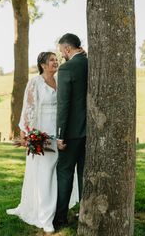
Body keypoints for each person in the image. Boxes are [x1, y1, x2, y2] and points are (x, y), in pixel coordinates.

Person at [6, 52, 79, 234]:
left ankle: (58, 209)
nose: (56, 62)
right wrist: (29, 135)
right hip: (42, 133)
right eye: (52, 60)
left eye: (57, 59)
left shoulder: (60, 81)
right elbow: (28, 108)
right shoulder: (35, 83)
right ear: (43, 65)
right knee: (45, 173)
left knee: (60, 172)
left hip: (60, 131)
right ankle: (45, 217)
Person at [54, 33, 88, 228]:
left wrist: (60, 134)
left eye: (61, 51)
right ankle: (85, 215)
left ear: (67, 49)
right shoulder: (90, 63)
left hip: (72, 133)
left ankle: (60, 218)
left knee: (65, 172)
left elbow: (64, 104)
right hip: (89, 132)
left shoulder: (67, 68)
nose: (62, 55)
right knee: (84, 173)